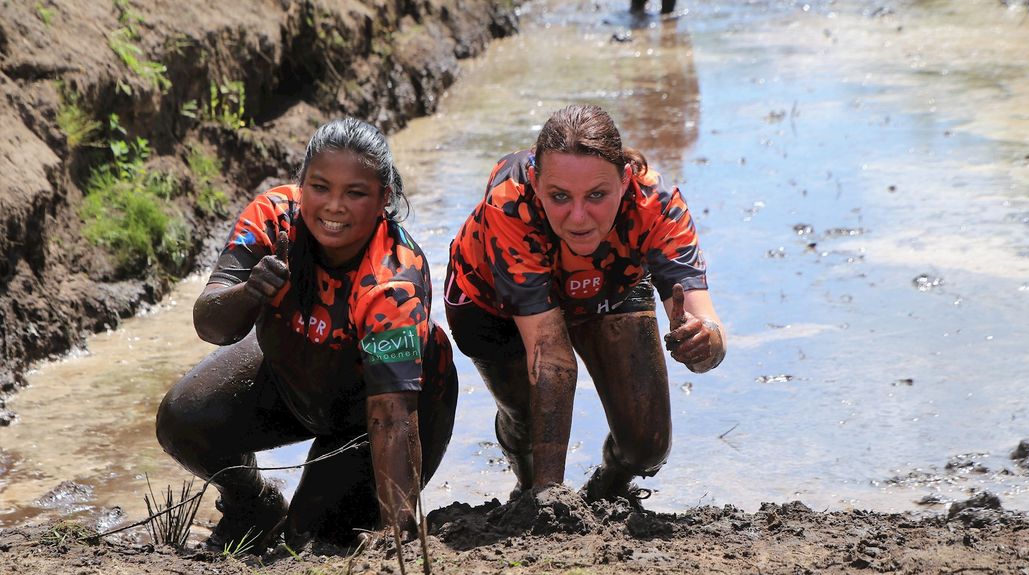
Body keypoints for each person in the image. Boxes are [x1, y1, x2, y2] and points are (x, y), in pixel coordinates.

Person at [157, 118, 457, 550]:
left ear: (383, 200)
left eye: (355, 193)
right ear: (301, 185)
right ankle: (253, 505)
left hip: (380, 411)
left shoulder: (393, 281)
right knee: (182, 419)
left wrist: (399, 525)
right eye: (320, 187)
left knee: (309, 539)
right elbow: (210, 324)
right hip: (293, 376)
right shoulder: (273, 217)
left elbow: (392, 413)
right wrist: (251, 291)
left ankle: (326, 507)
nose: (334, 206)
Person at [444, 104, 725, 506]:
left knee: (647, 446)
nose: (578, 217)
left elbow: (707, 327)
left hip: (606, 286)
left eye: (597, 195)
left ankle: (604, 493)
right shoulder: (509, 201)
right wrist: (547, 499)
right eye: (559, 197)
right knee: (527, 422)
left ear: (626, 181)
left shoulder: (656, 204)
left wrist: (703, 342)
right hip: (493, 304)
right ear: (537, 184)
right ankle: (525, 486)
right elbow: (552, 356)